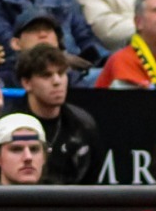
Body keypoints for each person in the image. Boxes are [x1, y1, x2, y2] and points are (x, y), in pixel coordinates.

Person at [12, 44, 98, 184]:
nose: (57, 81)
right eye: (47, 75)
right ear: (27, 83)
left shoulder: (83, 124)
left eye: (61, 73)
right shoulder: (9, 125)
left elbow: (90, 180)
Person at [0, 112, 47, 185]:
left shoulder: (60, 195)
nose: (28, 157)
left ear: (44, 157)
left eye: (34, 149)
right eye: (16, 149)